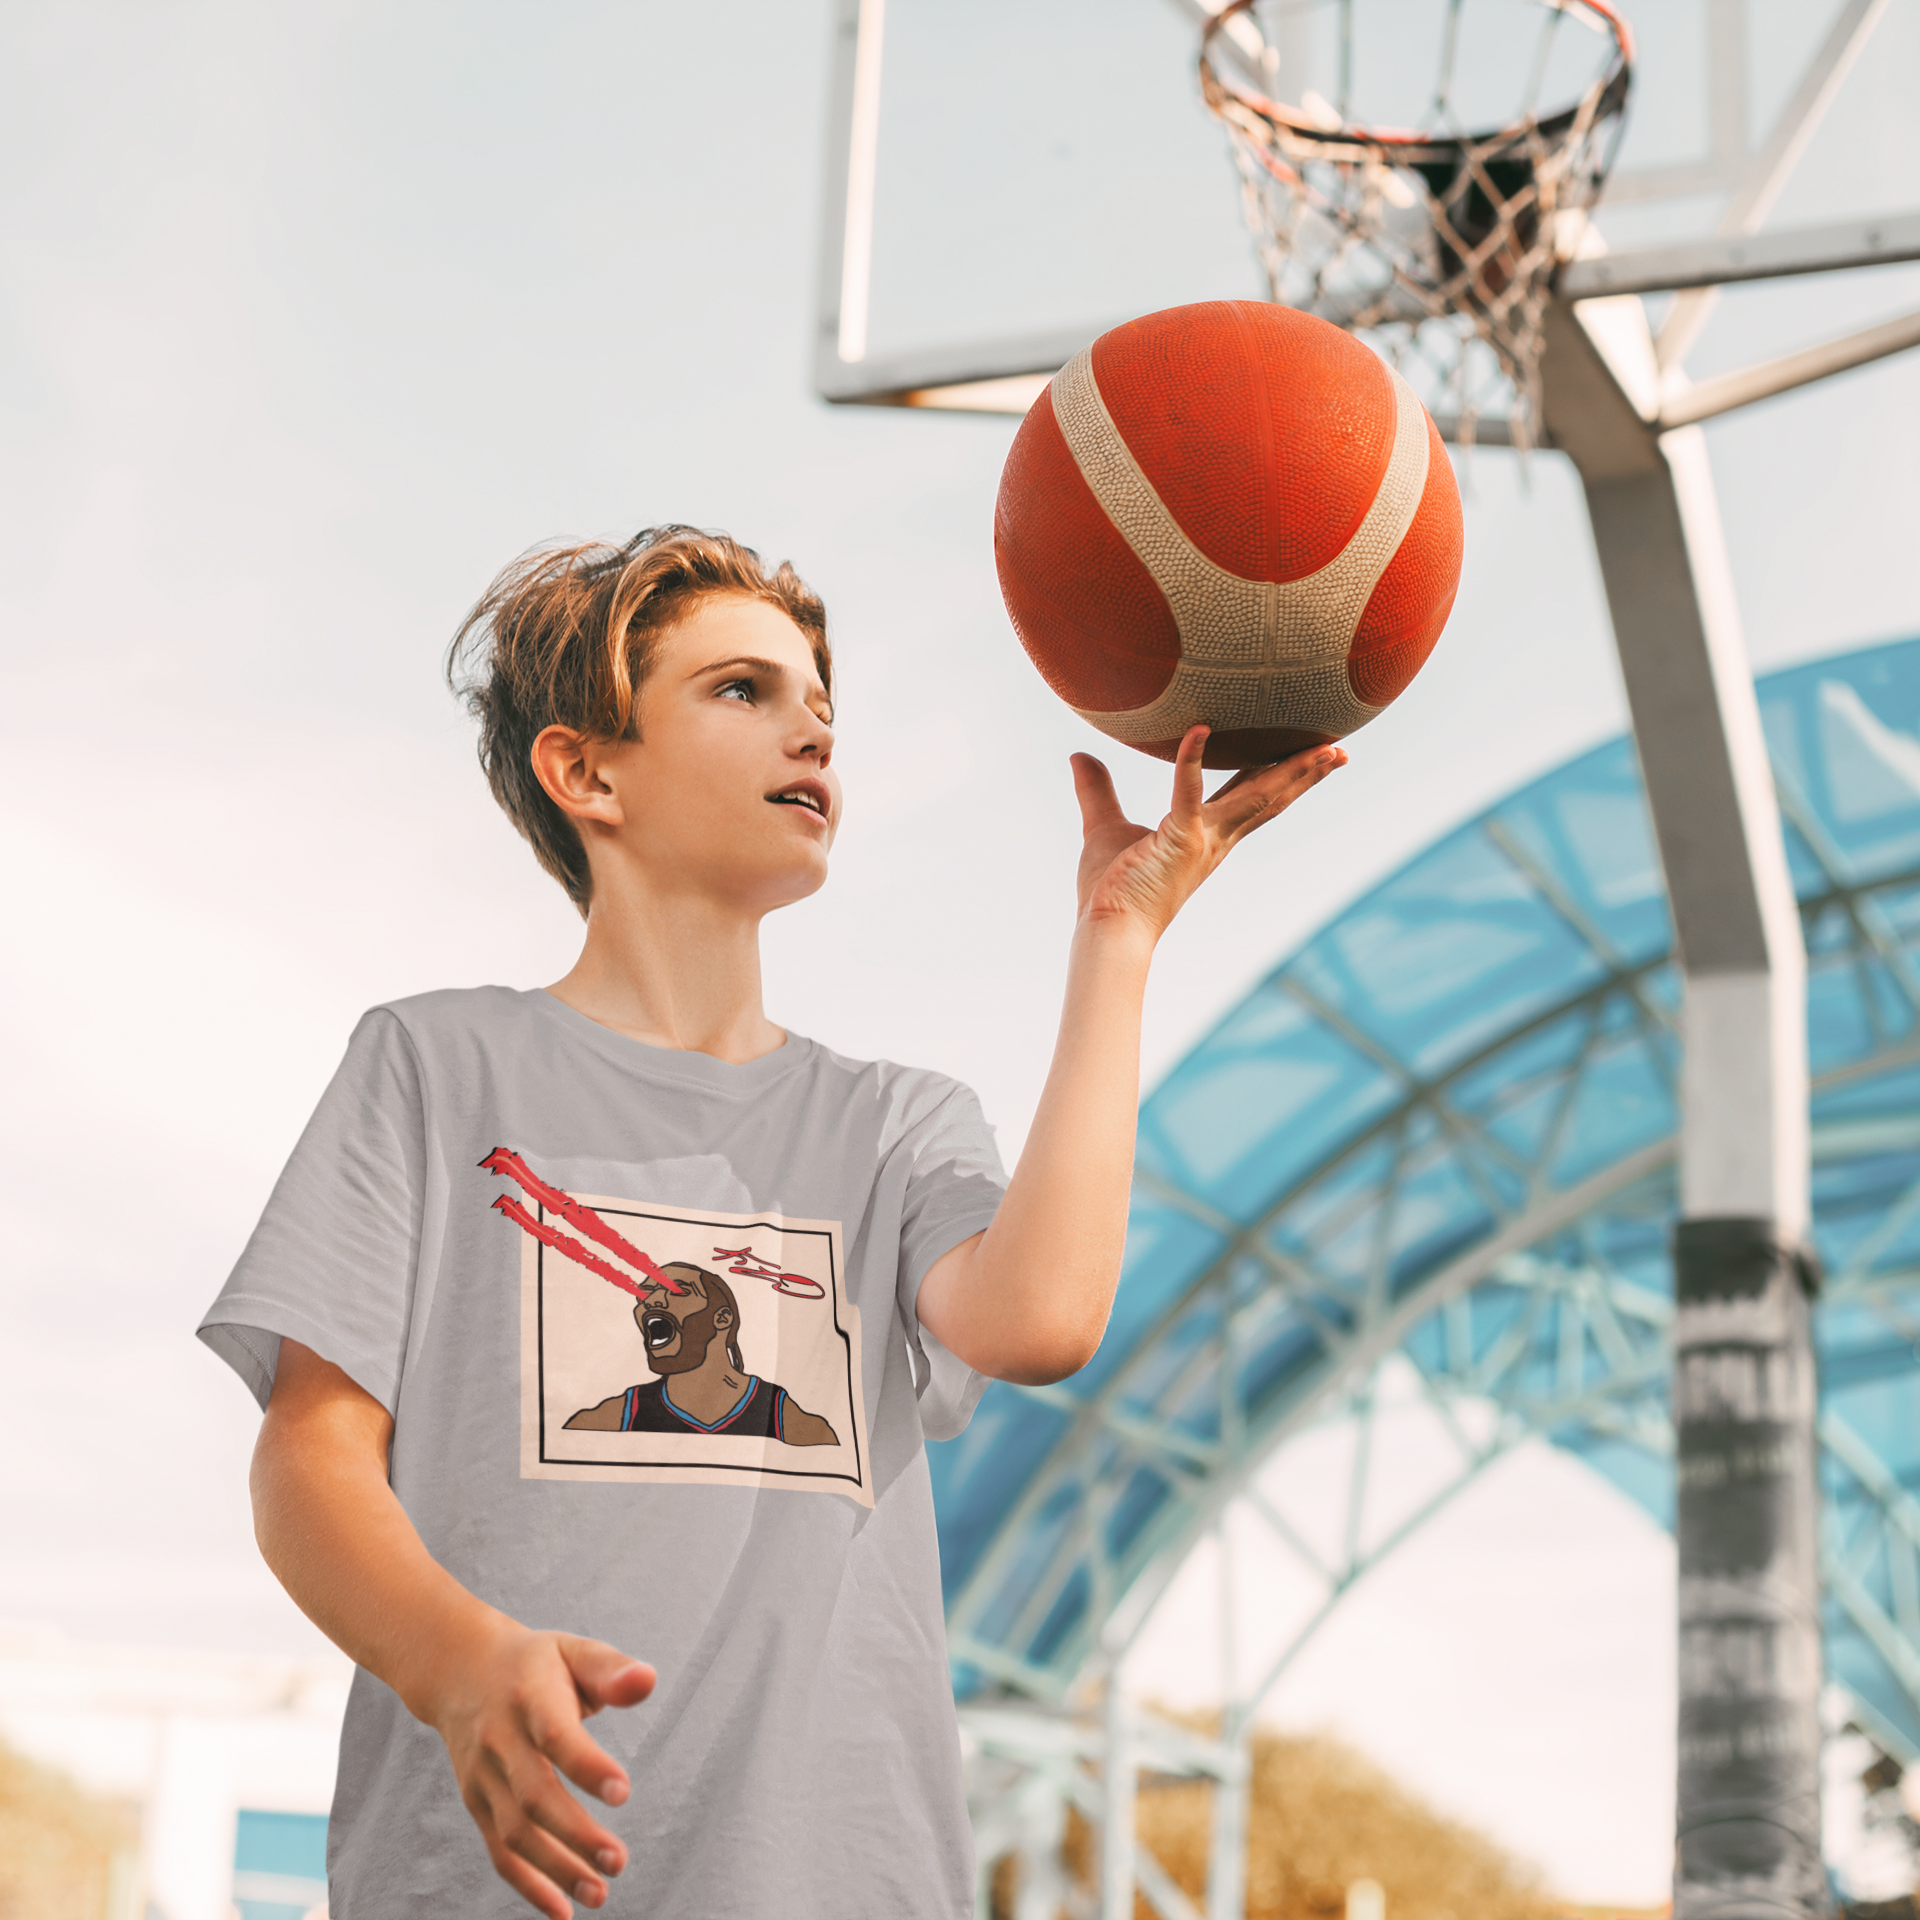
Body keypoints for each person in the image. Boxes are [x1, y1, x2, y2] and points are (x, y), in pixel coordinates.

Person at [198, 525, 1344, 1920]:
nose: (810, 724)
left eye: (820, 703)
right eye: (742, 689)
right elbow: (306, 1461)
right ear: (586, 773)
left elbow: (1040, 1322)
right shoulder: (436, 1069)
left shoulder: (893, 1123)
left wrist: (1119, 938)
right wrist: (456, 1664)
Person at [561, 1260, 838, 1445]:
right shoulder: (620, 1414)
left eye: (679, 1291)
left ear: (722, 1318)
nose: (651, 1300)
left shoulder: (777, 1414)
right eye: (643, 1294)